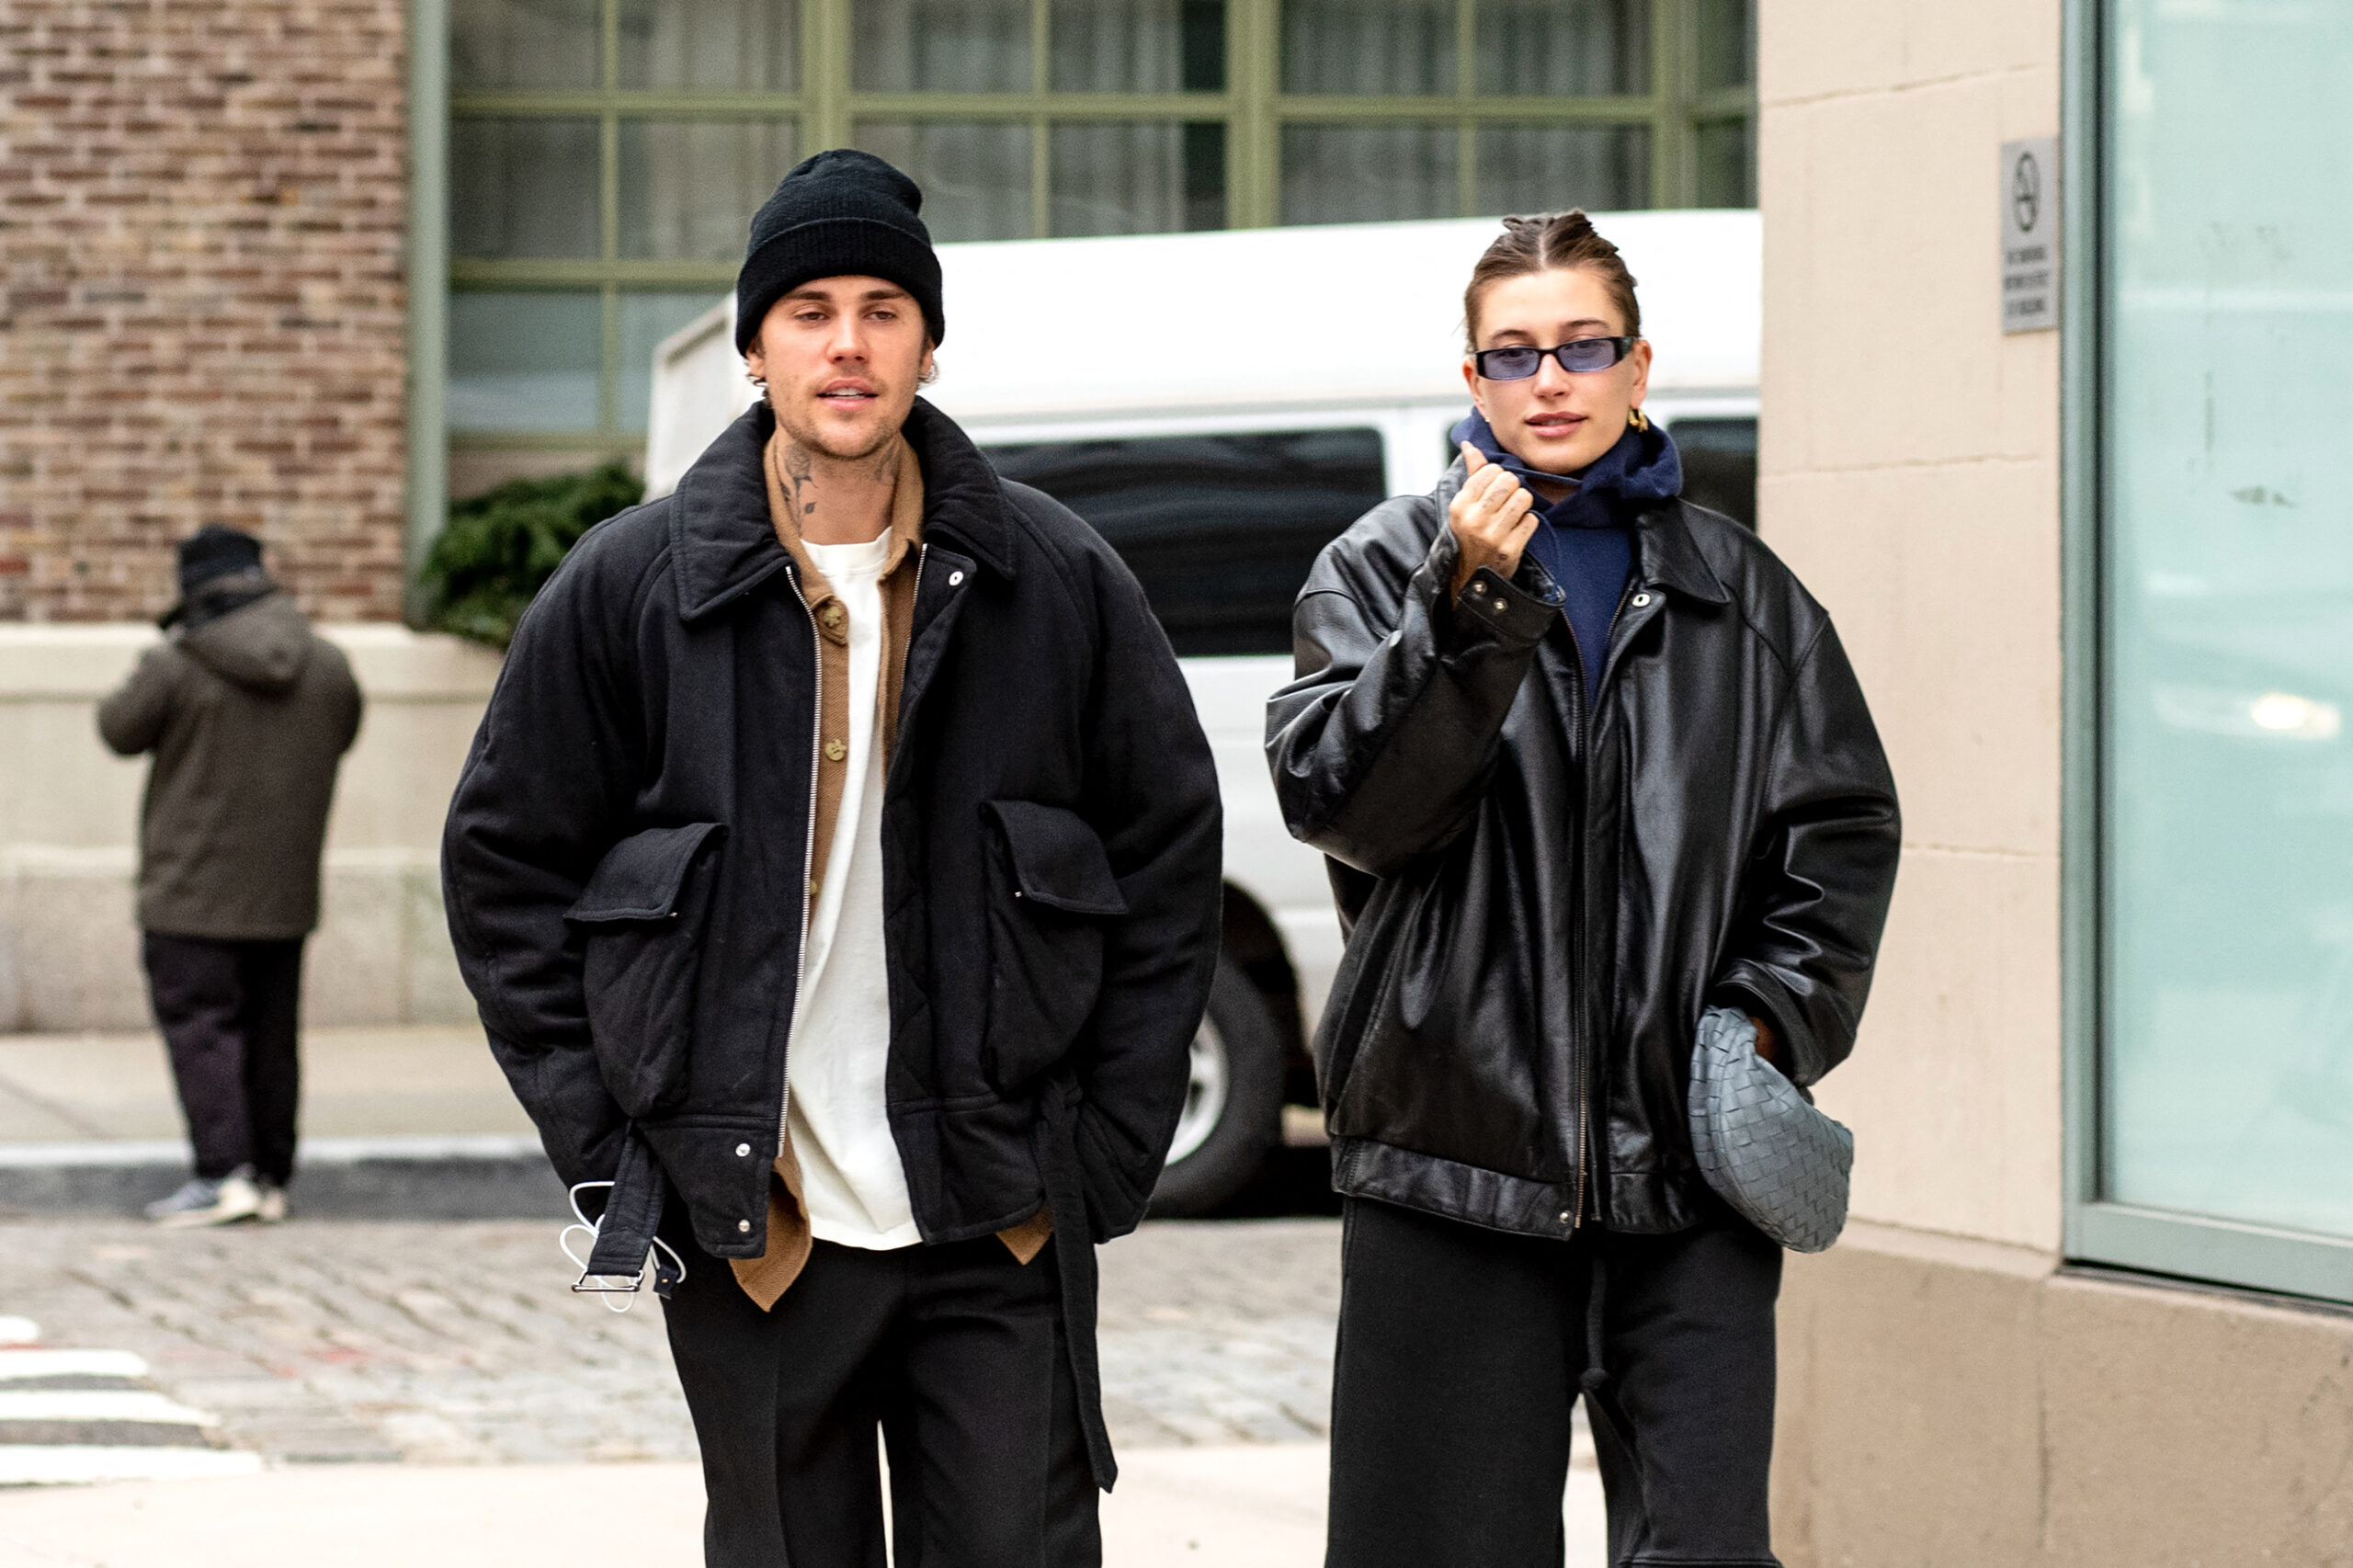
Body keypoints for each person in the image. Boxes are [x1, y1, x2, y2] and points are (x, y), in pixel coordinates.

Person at [440, 148, 1222, 1568]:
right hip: (759, 1225)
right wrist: (613, 1150)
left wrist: (1104, 1149)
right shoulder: (633, 586)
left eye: (882, 307)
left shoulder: (1054, 578)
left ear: (929, 340)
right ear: (755, 345)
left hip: (997, 1218)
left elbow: (1169, 856)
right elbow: (504, 867)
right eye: (808, 309)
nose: (848, 343)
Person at [1267, 210, 1902, 1567]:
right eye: (1513, 354)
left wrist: (1770, 1023)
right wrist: (1460, 610)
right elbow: (1352, 810)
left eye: (1581, 346)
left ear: (1637, 365)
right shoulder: (1381, 572)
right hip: (1452, 1164)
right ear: (1473, 383)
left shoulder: (1745, 594)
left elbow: (1840, 834)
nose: (1548, 379)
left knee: (1705, 1543)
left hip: (1686, 1177)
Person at [98, 525, 364, 1228]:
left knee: (202, 1028)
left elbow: (117, 729)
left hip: (189, 891)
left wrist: (166, 647)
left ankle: (221, 1173)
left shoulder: (177, 664)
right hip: (284, 892)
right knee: (273, 1035)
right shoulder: (330, 666)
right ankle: (270, 1176)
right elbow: (343, 734)